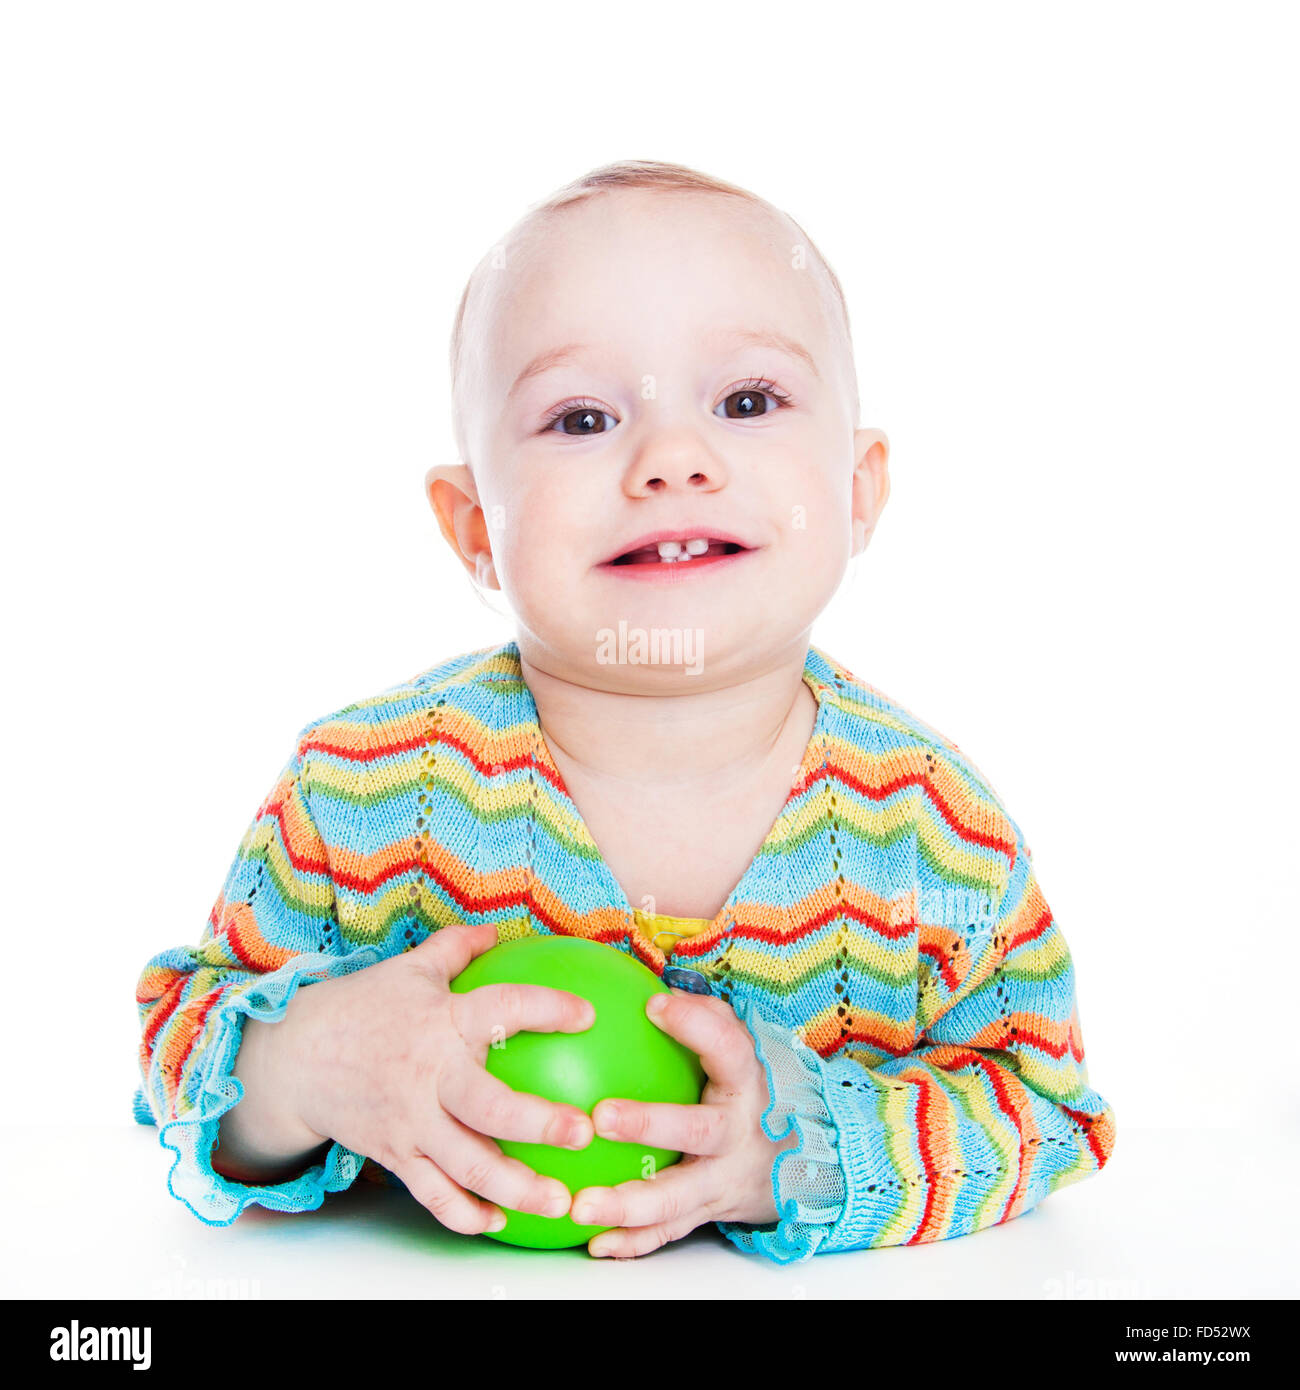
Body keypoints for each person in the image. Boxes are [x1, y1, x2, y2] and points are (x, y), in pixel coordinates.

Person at [133, 159, 1115, 1263]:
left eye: (746, 401)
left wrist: (803, 1154)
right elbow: (182, 1042)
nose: (671, 460)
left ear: (856, 488)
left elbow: (1042, 1108)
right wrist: (304, 1069)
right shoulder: (362, 790)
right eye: (582, 416)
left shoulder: (934, 830)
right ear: (472, 526)